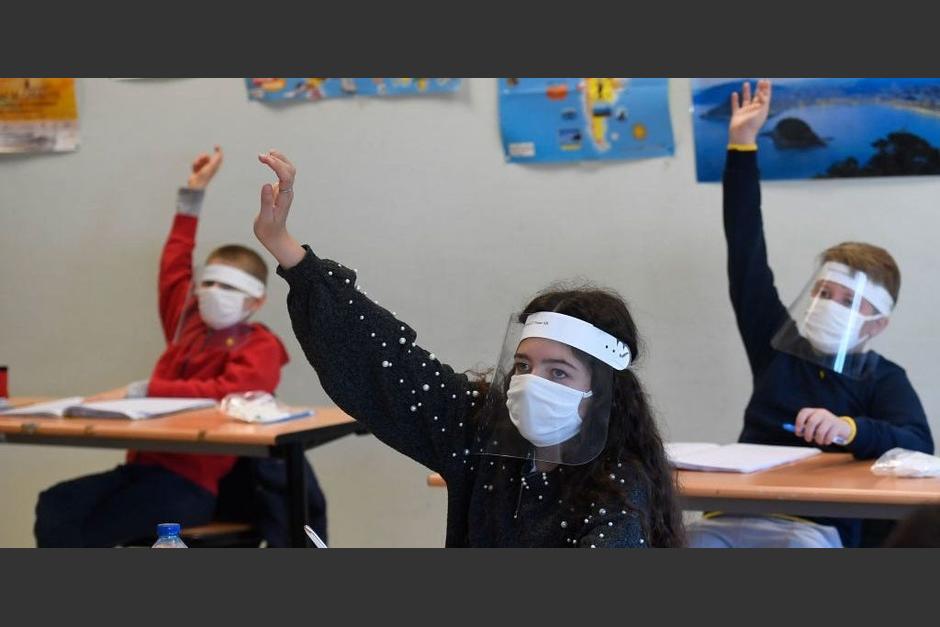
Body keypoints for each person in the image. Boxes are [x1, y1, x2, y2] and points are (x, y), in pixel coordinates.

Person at [251, 149, 684, 547]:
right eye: (523, 365)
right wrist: (287, 249)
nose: (532, 384)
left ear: (603, 392)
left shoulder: (616, 489)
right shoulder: (483, 434)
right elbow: (386, 365)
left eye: (558, 372)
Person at [35, 147, 326, 547]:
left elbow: (226, 393)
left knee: (85, 526)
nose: (213, 293)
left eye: (229, 287)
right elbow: (174, 265)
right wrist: (192, 195)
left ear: (256, 300)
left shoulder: (261, 346)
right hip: (142, 469)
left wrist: (147, 390)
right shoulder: (185, 326)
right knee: (57, 505)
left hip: (191, 484)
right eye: (208, 283)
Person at [687, 80, 934, 548]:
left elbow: (920, 446)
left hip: (813, 529)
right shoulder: (777, 347)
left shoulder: (883, 380)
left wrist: (850, 430)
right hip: (735, 514)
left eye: (847, 300)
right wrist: (742, 145)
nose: (827, 305)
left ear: (877, 323)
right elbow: (746, 252)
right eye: (823, 290)